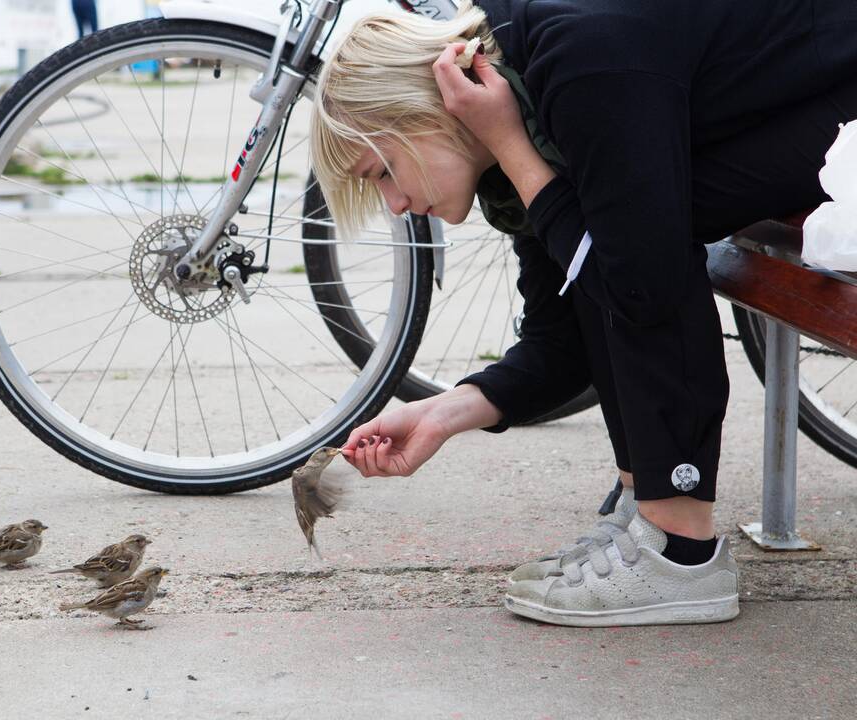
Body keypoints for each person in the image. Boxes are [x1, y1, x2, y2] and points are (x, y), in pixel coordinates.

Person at [311, 0, 857, 627]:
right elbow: (562, 333)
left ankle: (679, 552)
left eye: (382, 172)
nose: (396, 203)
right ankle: (644, 509)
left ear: (427, 109)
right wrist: (445, 412)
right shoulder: (527, 90)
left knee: (628, 242)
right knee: (612, 232)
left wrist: (513, 146)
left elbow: (641, 287)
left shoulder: (576, 65)